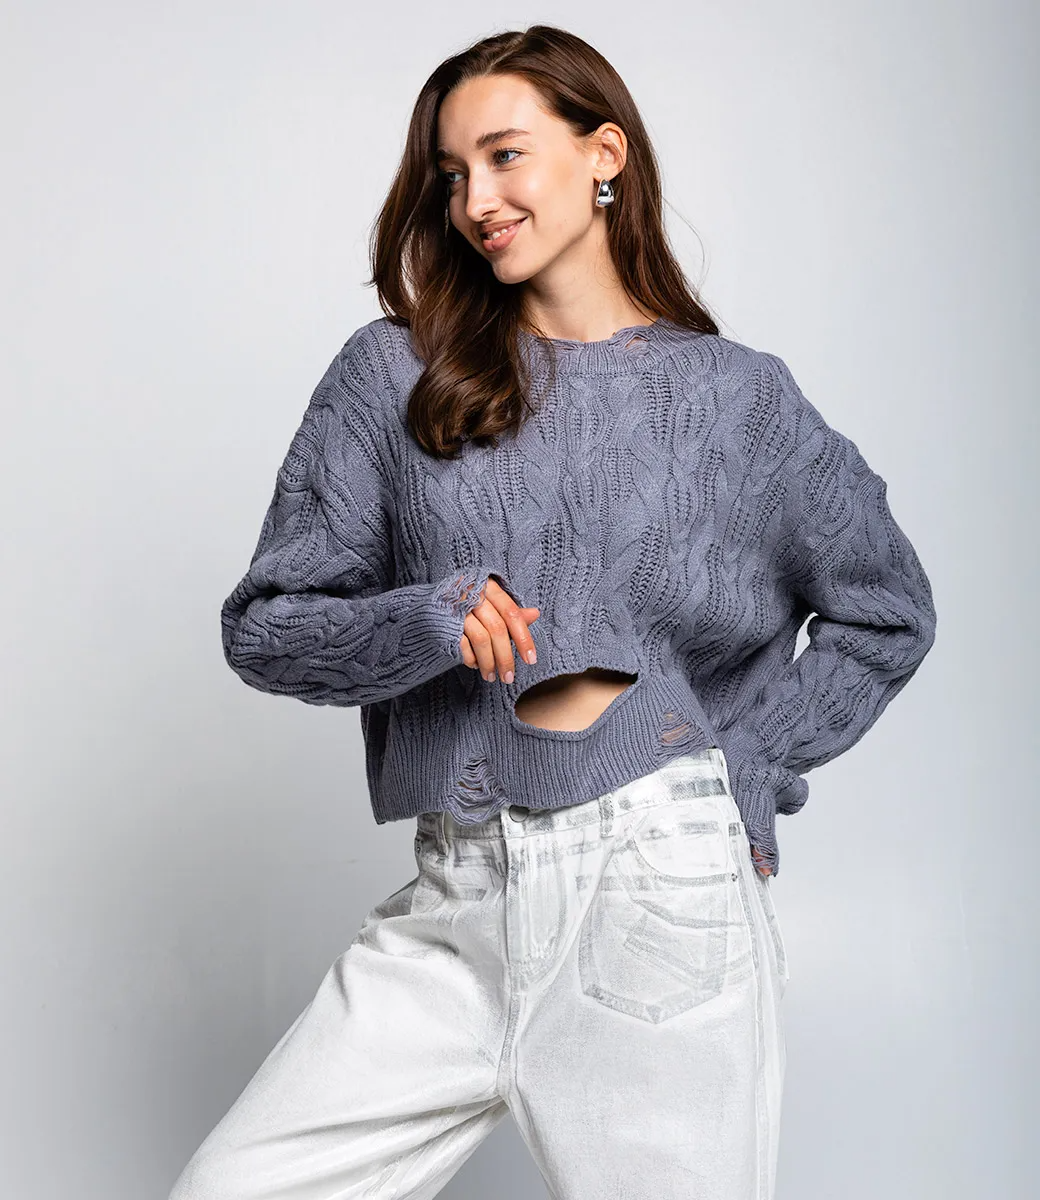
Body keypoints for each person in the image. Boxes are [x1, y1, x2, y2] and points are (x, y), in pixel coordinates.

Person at [168, 23, 937, 1200]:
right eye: (451, 174)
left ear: (602, 155)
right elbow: (264, 626)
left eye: (505, 155)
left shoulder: (738, 400)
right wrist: (427, 620)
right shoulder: (393, 375)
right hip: (459, 898)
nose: (476, 199)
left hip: (659, 898)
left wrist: (749, 761)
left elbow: (884, 609)